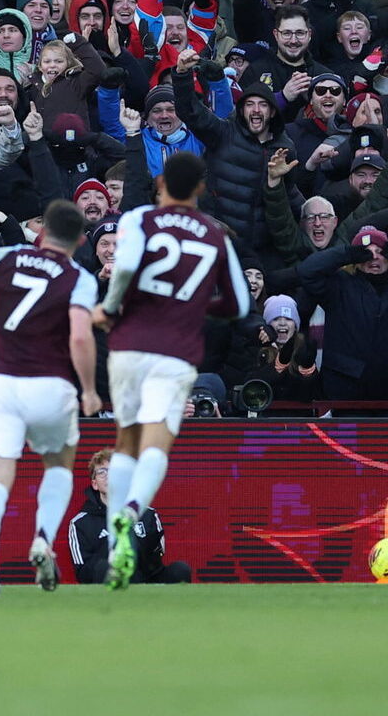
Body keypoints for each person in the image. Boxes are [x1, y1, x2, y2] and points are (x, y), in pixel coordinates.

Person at [91, 151, 249, 590]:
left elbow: (122, 269)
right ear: (199, 188)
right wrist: (196, 304)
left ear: (160, 183)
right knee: (157, 444)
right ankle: (132, 511)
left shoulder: (138, 219)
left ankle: (116, 512)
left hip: (128, 346)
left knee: (127, 439)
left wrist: (111, 305)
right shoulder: (215, 236)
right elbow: (239, 303)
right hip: (175, 352)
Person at [0, 199, 101, 595]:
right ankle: (43, 538)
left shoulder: (8, 256)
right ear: (80, 239)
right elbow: (79, 335)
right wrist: (91, 389)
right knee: (58, 466)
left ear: (42, 232)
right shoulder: (80, 277)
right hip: (50, 384)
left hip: (0, 383)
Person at [66, 448, 192, 585]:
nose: (110, 476)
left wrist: (132, 543)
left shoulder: (148, 514)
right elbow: (83, 571)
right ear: (95, 484)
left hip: (146, 578)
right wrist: (114, 554)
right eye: (102, 472)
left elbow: (156, 558)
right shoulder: (80, 523)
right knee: (105, 568)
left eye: (114, 471)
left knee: (180, 570)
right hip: (109, 582)